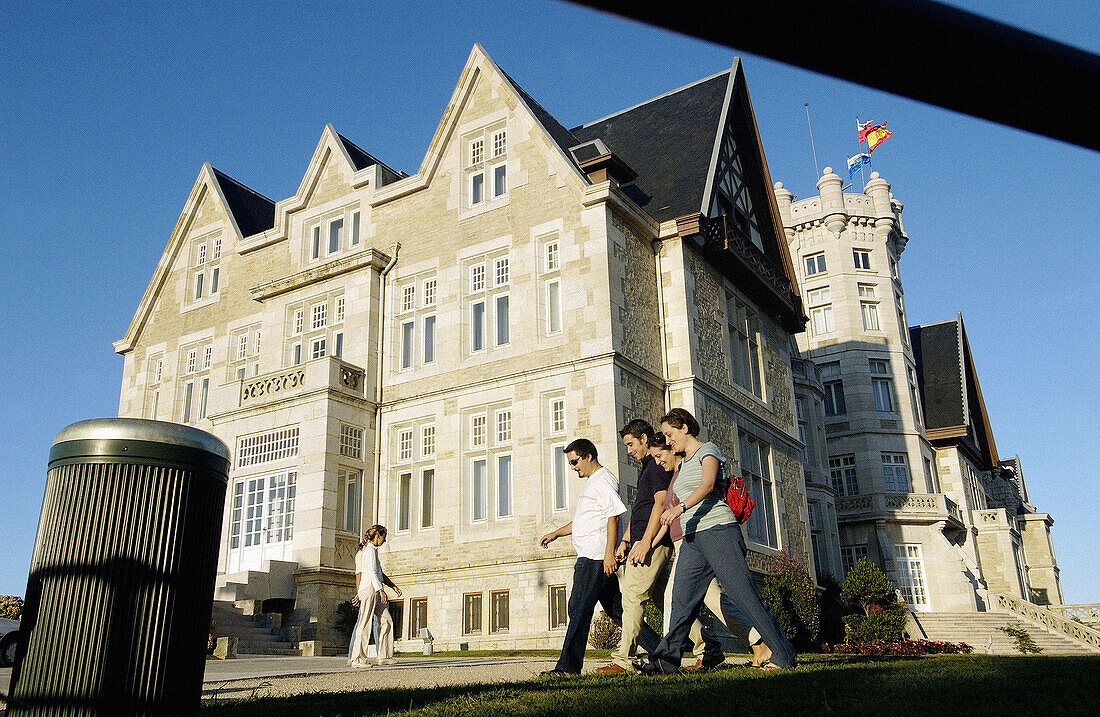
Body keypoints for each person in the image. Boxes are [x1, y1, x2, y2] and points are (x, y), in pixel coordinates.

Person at [640, 408, 796, 674]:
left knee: (743, 593)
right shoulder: (684, 461)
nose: (667, 441)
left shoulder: (707, 450)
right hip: (693, 538)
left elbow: (709, 484)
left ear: (684, 428)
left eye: (669, 434)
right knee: (681, 598)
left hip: (718, 531)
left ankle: (783, 654)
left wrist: (680, 508)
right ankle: (666, 659)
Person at [539, 438, 661, 676]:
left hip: (595, 558)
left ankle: (567, 668)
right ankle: (663, 652)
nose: (573, 467)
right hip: (594, 556)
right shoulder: (593, 483)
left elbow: (613, 516)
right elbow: (584, 520)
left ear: (588, 456)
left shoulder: (603, 480)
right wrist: (556, 533)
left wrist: (608, 555)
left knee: (578, 608)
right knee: (619, 612)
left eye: (575, 461)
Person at [595, 419, 675, 674]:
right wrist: (626, 540)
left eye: (630, 444)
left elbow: (660, 504)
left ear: (643, 438)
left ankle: (623, 660)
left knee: (631, 596)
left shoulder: (657, 465)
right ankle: (708, 646)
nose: (628, 450)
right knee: (665, 599)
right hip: (641, 541)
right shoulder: (647, 468)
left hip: (650, 544)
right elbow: (641, 509)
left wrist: (646, 542)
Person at [348, 524, 402, 667]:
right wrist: (380, 590)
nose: (384, 541)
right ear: (377, 535)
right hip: (369, 590)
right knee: (364, 623)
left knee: (386, 620)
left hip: (375, 590)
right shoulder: (369, 550)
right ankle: (357, 658)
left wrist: (392, 586)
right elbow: (371, 572)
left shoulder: (373, 551)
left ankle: (384, 655)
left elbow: (378, 573)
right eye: (383, 537)